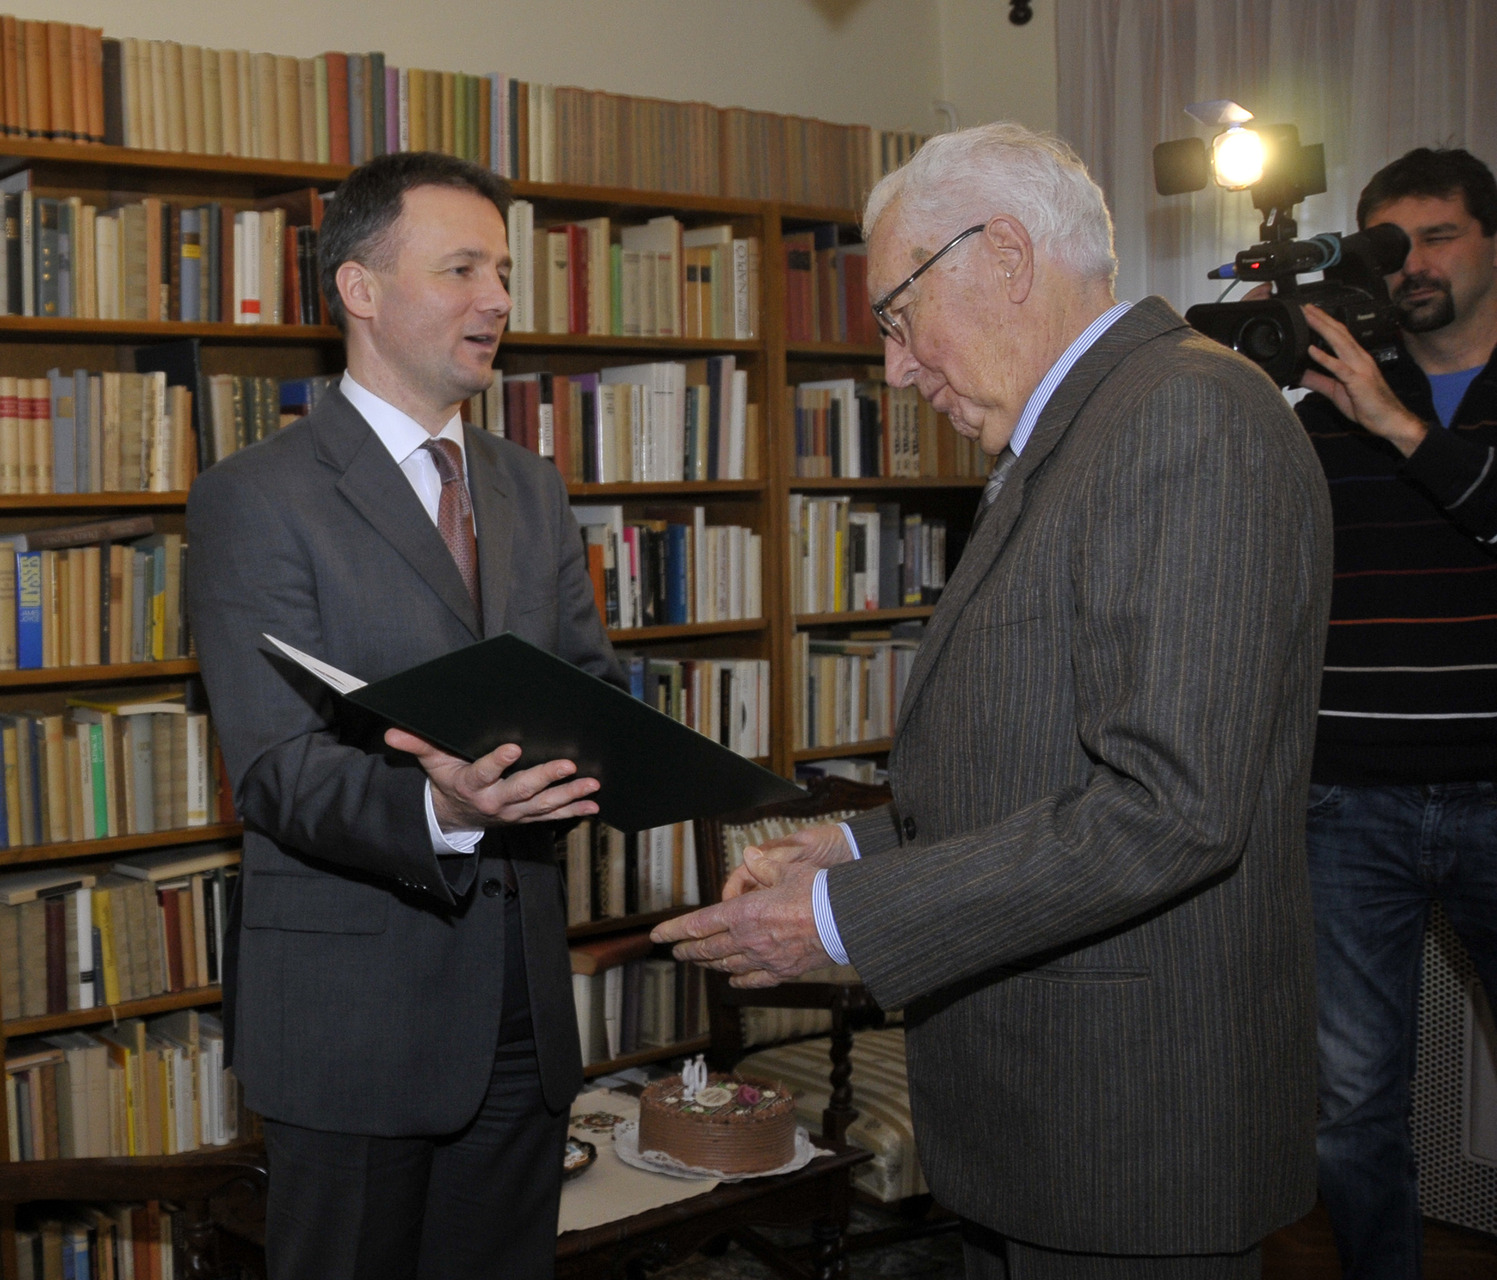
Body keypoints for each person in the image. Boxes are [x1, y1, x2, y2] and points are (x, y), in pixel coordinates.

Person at [654, 122, 1329, 1278]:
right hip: (1038, 1114)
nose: (897, 369)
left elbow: (1170, 808)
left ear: (1005, 254)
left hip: (1131, 1129)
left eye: (899, 316)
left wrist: (842, 917)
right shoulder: (1076, 431)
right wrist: (856, 843)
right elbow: (1047, 760)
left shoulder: (1186, 415)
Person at [187, 151, 620, 1280]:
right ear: (361, 288)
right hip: (354, 1021)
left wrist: (631, 753)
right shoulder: (255, 496)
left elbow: (590, 685)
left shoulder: (531, 487)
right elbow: (275, 767)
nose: (500, 299)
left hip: (524, 1009)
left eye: (505, 272)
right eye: (463, 268)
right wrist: (441, 807)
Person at [1285, 147, 1497, 1280]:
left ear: (1491, 242)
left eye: (1439, 235)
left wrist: (1400, 426)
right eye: (1388, 245)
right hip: (1348, 801)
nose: (1411, 263)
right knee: (1350, 1104)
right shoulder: (1326, 408)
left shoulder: (1371, 408)